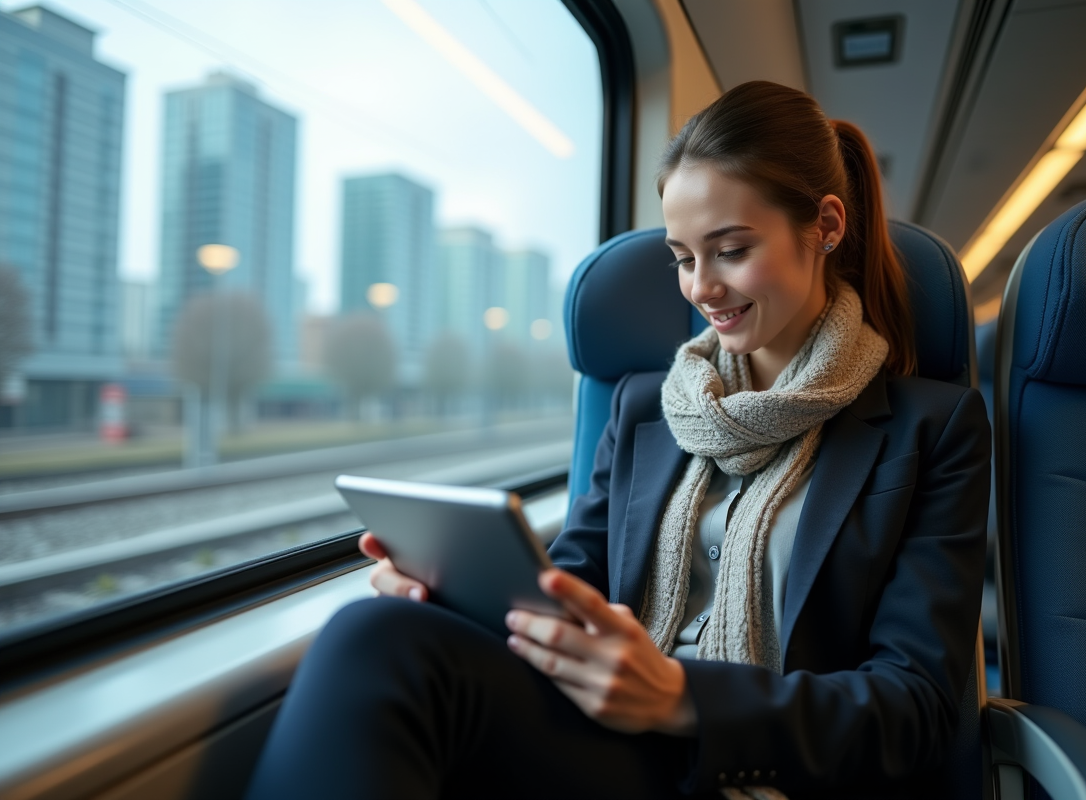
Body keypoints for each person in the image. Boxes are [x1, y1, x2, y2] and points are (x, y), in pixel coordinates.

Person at [245, 81, 989, 799]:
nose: (700, 288)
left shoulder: (930, 429)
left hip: (760, 768)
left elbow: (915, 709)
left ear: (825, 226)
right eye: (683, 257)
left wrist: (681, 698)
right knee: (379, 631)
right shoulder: (644, 409)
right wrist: (445, 594)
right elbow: (570, 585)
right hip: (611, 746)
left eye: (730, 250)